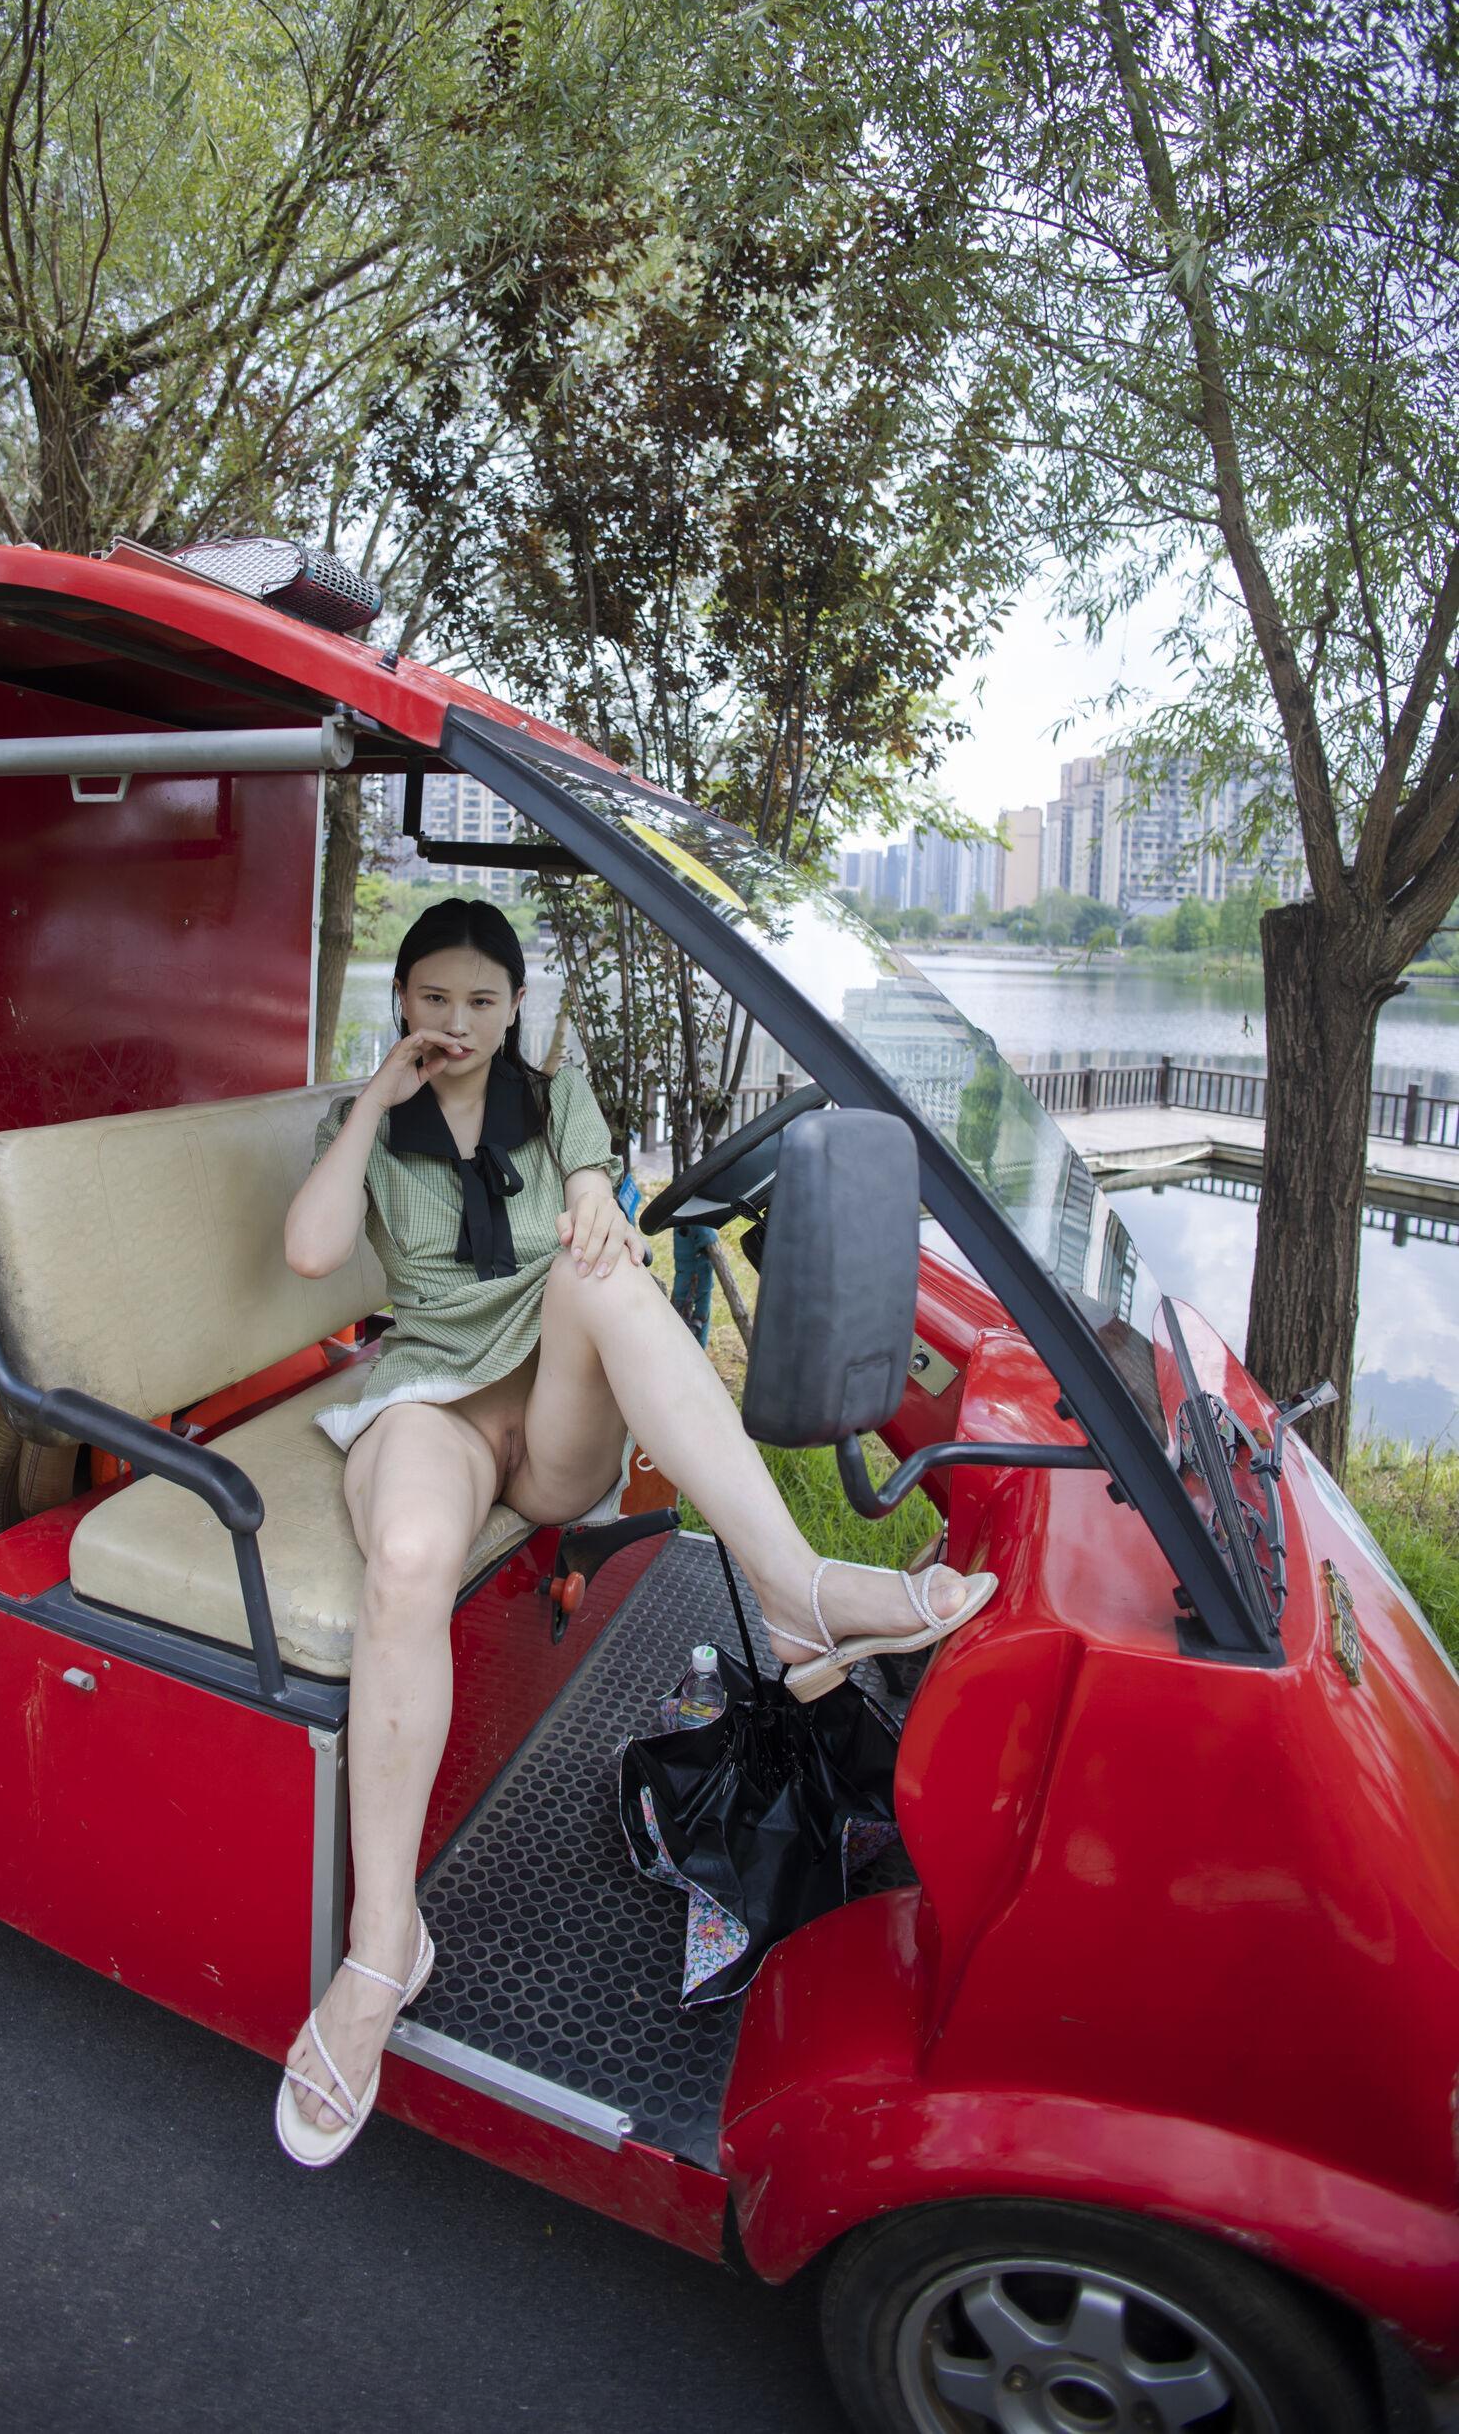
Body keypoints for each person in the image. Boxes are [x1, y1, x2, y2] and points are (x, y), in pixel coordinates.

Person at [275, 896, 993, 2164]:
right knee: (406, 1562)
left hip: (553, 1406)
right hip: (430, 1399)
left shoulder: (556, 1099)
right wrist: (379, 1096)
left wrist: (596, 1196)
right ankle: (384, 1944)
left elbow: (591, 1188)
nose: (456, 1022)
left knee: (595, 1265)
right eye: (432, 998)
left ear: (515, 1006)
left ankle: (795, 1588)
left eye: (480, 1000)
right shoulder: (372, 1125)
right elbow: (311, 1250)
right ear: (403, 1003)